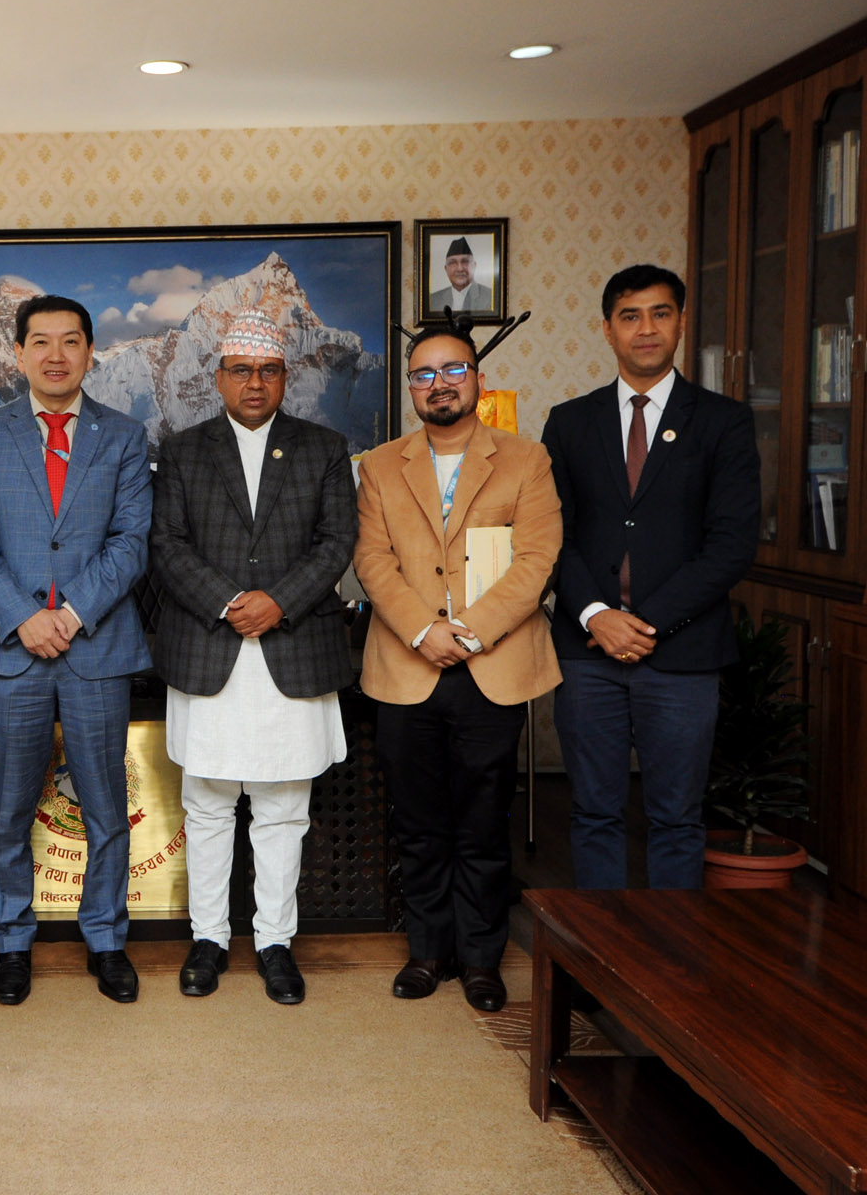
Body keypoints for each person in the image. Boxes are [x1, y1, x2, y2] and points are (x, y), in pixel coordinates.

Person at [148, 309, 357, 1005]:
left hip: (292, 648)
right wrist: (231, 601)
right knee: (207, 805)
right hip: (210, 648)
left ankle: (274, 942)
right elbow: (166, 545)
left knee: (283, 808)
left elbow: (336, 541)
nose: (255, 383)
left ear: (285, 377)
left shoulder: (323, 448)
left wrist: (278, 602)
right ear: (219, 378)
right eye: (241, 371)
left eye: (268, 371)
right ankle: (207, 939)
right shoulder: (182, 450)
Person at [355, 325, 561, 1012]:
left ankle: (480, 958)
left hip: (491, 666)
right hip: (405, 666)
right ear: (410, 388)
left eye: (453, 370)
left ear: (477, 379)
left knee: (482, 822)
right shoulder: (380, 465)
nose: (438, 384)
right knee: (416, 822)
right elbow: (372, 560)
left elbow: (537, 560)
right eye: (423, 374)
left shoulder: (526, 459)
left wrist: (466, 633)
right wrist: (423, 630)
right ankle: (428, 950)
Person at [0, 294, 152, 1005]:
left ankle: (106, 938)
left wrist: (68, 615)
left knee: (105, 808)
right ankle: (12, 941)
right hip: (13, 650)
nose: (55, 355)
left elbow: (131, 541)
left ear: (90, 352)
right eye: (40, 341)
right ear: (18, 353)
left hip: (95, 646)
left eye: (70, 341)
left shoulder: (124, 435)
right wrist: (23, 618)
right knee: (9, 808)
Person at [541, 264, 760, 891]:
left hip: (683, 654)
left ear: (681, 323)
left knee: (676, 819)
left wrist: (643, 624)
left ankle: (669, 952)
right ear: (607, 330)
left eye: (660, 313)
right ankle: (600, 946)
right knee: (593, 813)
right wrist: (596, 616)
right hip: (588, 653)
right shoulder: (569, 422)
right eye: (630, 316)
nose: (646, 329)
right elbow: (551, 537)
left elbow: (731, 545)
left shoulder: (723, 421)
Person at [428, 237, 493, 315]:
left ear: (474, 266)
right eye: (453, 263)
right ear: (446, 269)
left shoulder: (491, 297)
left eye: (465, 262)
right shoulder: (432, 300)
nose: (460, 269)